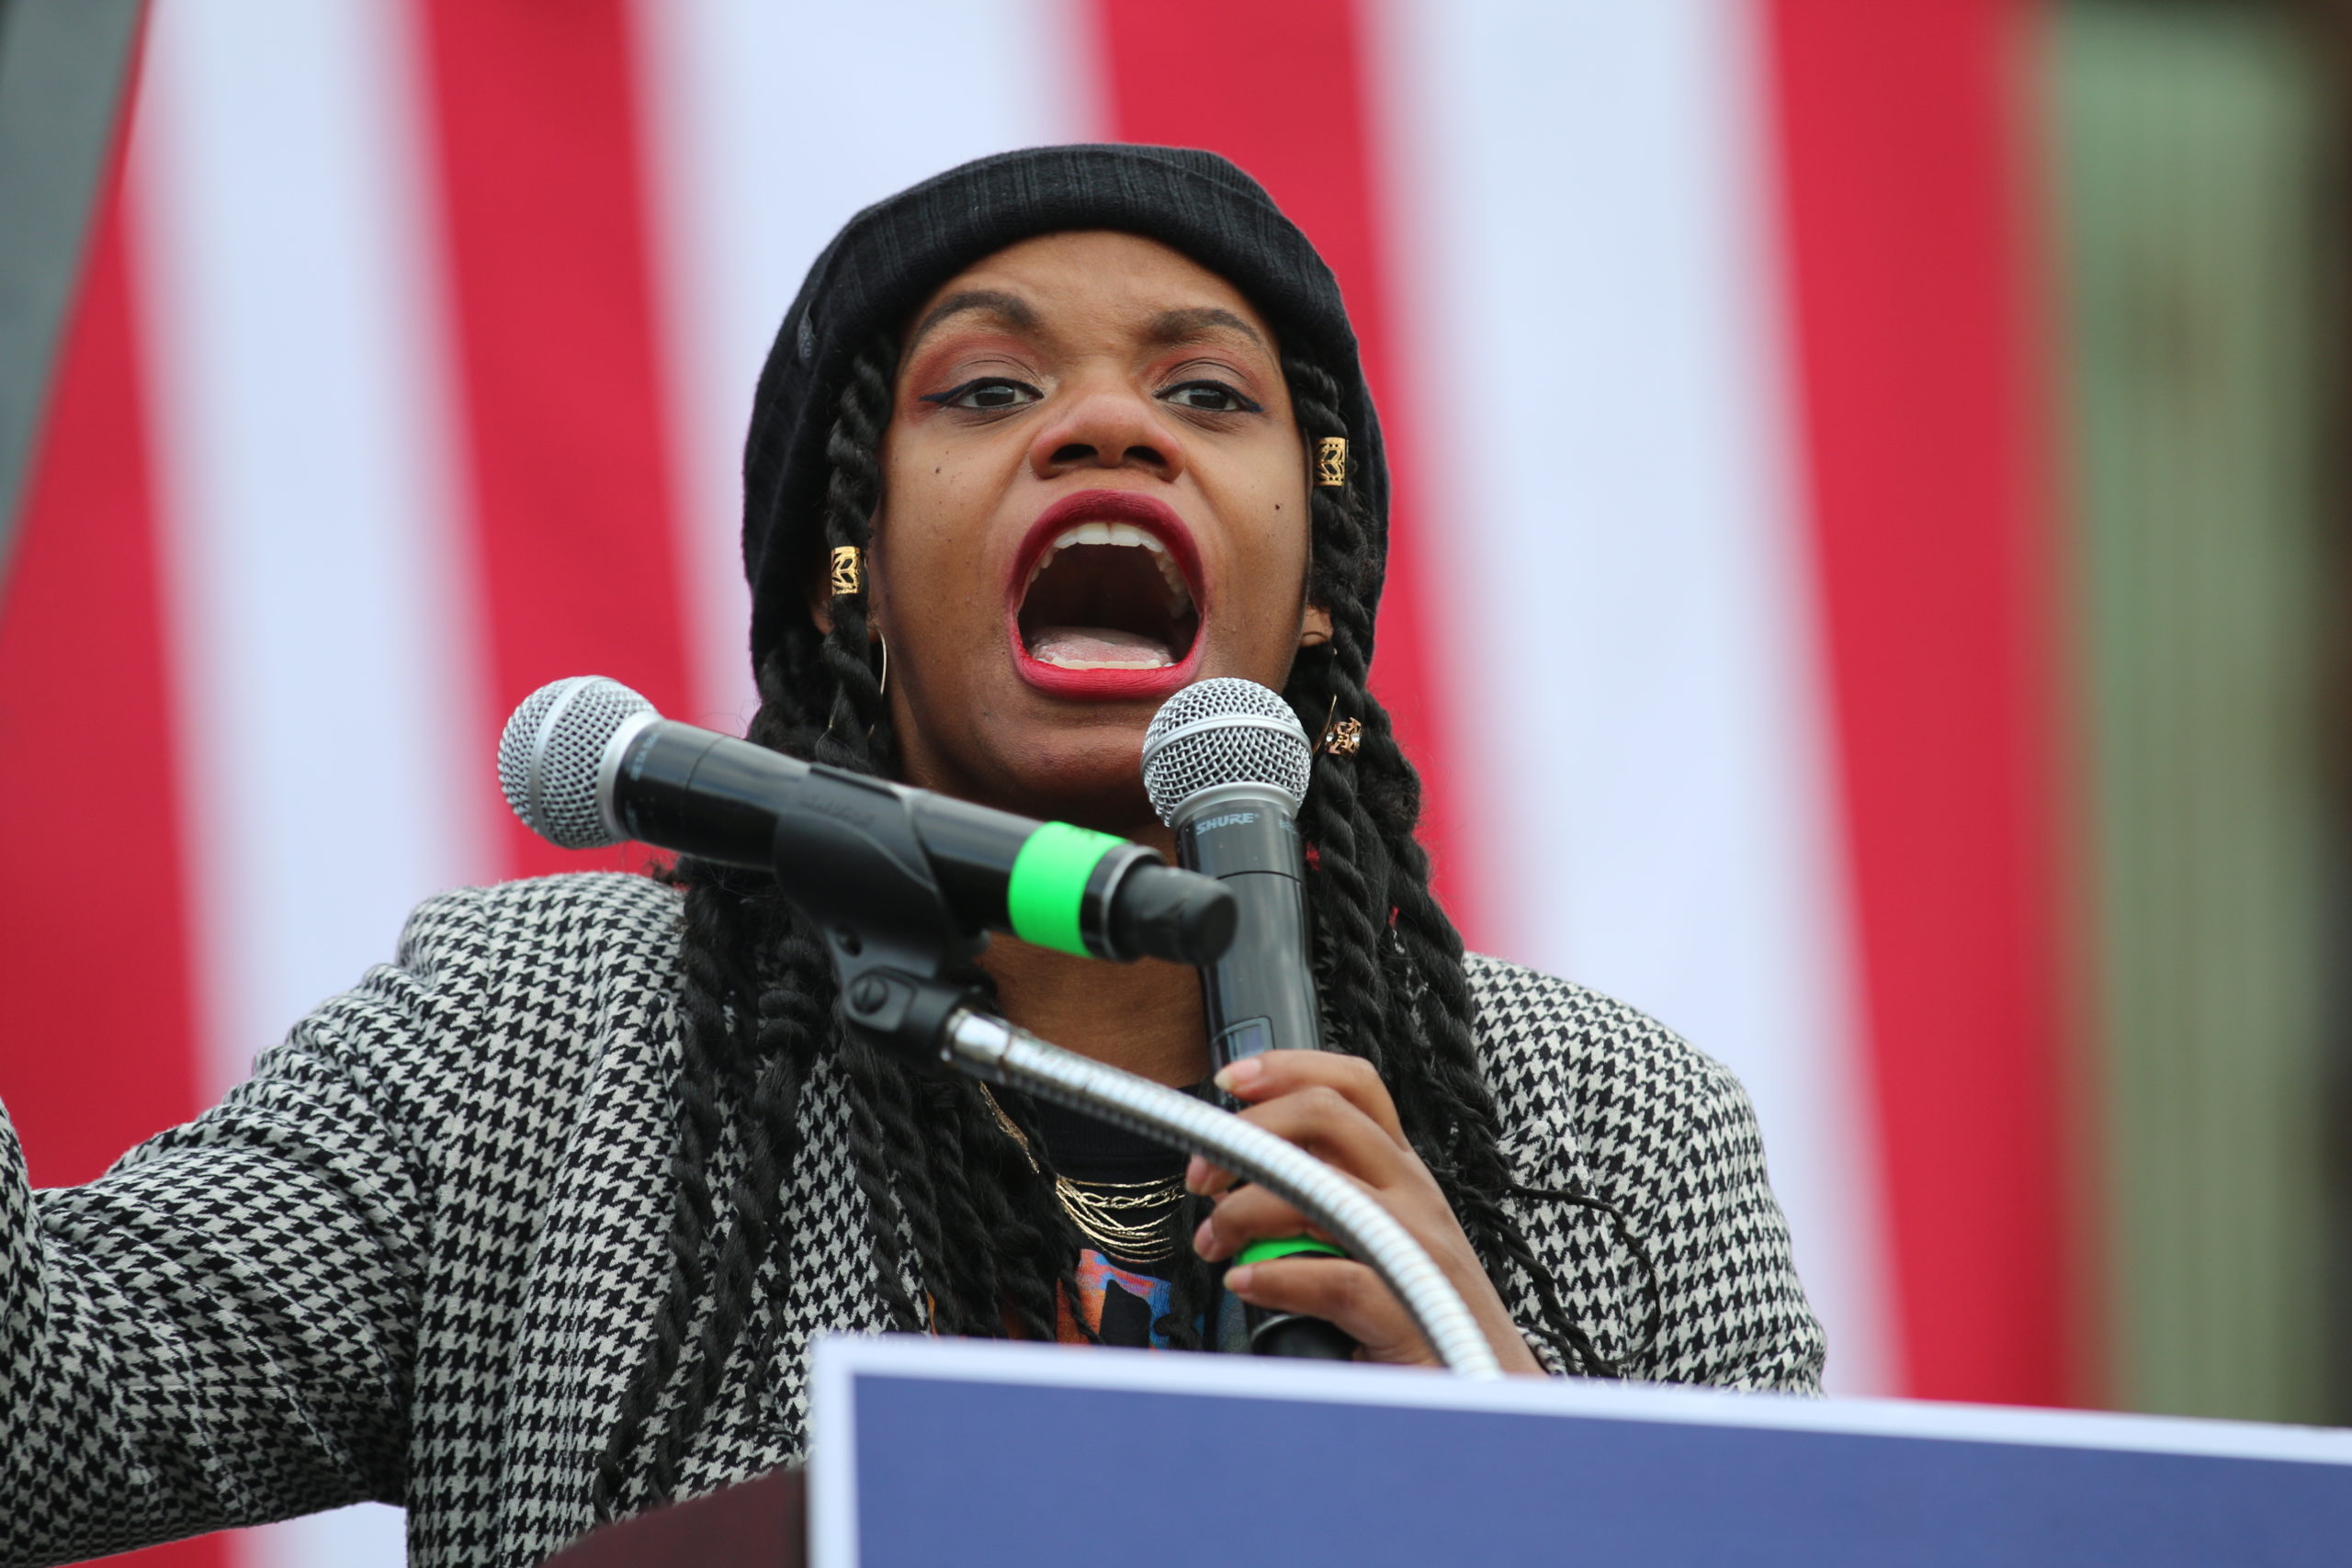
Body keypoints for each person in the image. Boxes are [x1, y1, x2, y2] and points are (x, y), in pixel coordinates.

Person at [0, 146, 1823, 1568]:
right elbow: (45, 1406)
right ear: (838, 575)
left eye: (1205, 396)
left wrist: (1524, 1465)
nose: (1104, 424)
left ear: (1316, 604)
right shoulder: (517, 1047)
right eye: (983, 390)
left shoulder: (1609, 1131)